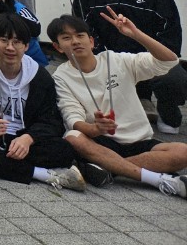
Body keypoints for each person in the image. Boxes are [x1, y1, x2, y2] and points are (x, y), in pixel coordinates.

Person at [48, 11, 187, 196]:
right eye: (67, 38)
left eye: (80, 35)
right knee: (73, 137)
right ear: (57, 47)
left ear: (91, 41)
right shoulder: (60, 76)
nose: (75, 41)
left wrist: (136, 34)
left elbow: (169, 62)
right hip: (102, 142)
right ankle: (158, 179)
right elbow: (72, 117)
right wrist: (95, 129)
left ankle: (108, 168)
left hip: (138, 139)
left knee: (182, 151)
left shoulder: (115, 59)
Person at [0, 13, 83, 190]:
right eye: (4, 41)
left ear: (26, 46)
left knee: (64, 150)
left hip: (24, 140)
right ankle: (43, 175)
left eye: (17, 42)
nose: (10, 48)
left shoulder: (39, 76)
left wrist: (28, 138)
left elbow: (52, 121)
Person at [77, 0, 186, 135]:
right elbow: (84, 32)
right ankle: (130, 104)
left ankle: (168, 113)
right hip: (108, 59)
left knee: (175, 76)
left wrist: (153, 54)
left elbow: (171, 34)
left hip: (148, 58)